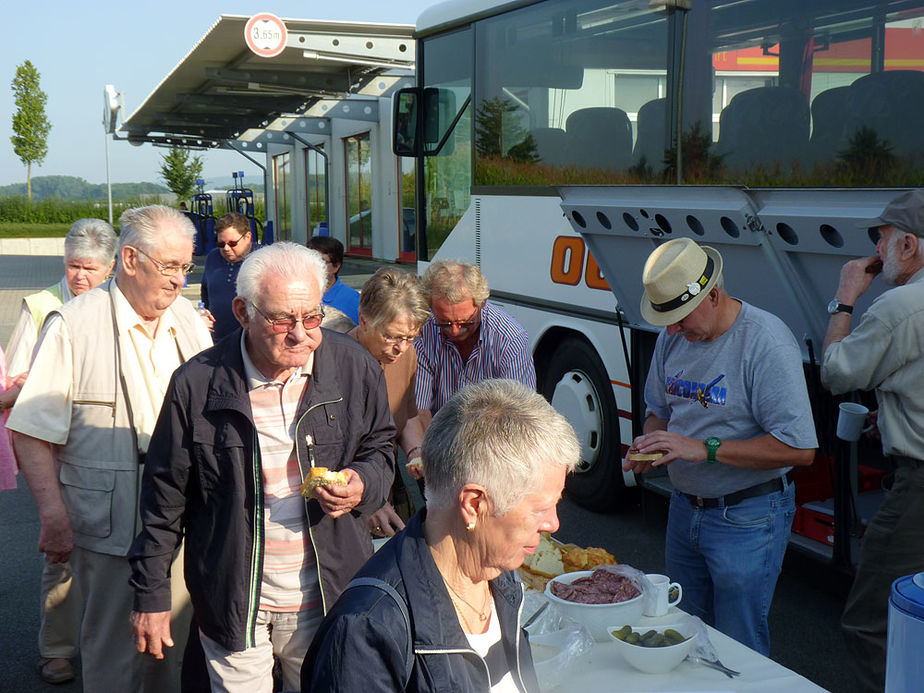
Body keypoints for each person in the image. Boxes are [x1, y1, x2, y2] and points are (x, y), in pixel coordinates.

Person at [128, 242, 396, 693]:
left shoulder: (353, 366)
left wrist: (363, 482)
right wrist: (151, 594)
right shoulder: (197, 383)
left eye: (312, 316)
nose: (301, 334)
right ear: (241, 311)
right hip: (235, 602)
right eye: (280, 319)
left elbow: (381, 447)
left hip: (328, 597)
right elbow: (163, 499)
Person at [7, 205, 213, 692]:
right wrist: (54, 516)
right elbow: (30, 429)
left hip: (185, 519)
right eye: (169, 266)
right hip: (107, 523)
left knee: (174, 650)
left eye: (186, 267)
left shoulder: (186, 319)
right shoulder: (74, 324)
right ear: (130, 258)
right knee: (112, 653)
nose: (179, 281)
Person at [301, 379, 579, 692]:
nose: (553, 524)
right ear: (474, 505)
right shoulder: (367, 630)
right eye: (540, 508)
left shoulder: (500, 577)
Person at [624, 237, 816, 656]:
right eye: (666, 319)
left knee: (737, 646)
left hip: (747, 517)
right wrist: (651, 441)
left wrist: (705, 448)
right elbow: (657, 409)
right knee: (678, 631)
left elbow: (800, 450)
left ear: (713, 295)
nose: (671, 330)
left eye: (679, 317)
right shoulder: (673, 338)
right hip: (684, 507)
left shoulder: (765, 342)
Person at [4, 218, 117, 685]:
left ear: (113, 266)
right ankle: (57, 649)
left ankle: (118, 642)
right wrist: (34, 384)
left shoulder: (122, 306)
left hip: (113, 447)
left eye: (90, 268)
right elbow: (10, 390)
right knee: (63, 554)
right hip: (59, 452)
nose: (80, 277)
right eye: (73, 266)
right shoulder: (42, 306)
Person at [821, 189, 924, 693]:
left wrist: (845, 297)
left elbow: (836, 374)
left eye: (880, 241)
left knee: (870, 623)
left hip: (918, 490)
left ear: (909, 245)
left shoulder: (900, 306)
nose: (874, 253)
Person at [350, 268, 430, 537]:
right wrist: (367, 499)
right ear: (363, 320)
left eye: (410, 338)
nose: (401, 348)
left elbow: (406, 416)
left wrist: (416, 453)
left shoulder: (405, 356)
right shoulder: (335, 365)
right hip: (347, 498)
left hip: (387, 485)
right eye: (392, 336)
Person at [414, 260, 535, 426]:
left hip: (492, 439)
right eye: (445, 322)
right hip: (438, 437)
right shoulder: (424, 331)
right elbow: (419, 410)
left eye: (465, 322)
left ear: (482, 303)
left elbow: (521, 413)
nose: (455, 331)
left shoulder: (509, 340)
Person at [200, 212, 259, 340]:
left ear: (247, 237)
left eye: (232, 243)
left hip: (252, 342)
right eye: (221, 244)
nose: (226, 248)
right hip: (217, 341)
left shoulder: (263, 260)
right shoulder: (212, 258)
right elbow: (205, 291)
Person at [306, 235, 360, 325]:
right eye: (310, 260)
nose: (314, 266)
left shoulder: (352, 300)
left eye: (322, 261)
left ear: (336, 266)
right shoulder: (295, 295)